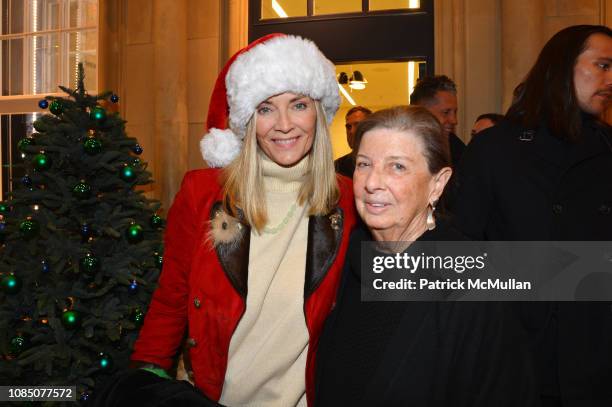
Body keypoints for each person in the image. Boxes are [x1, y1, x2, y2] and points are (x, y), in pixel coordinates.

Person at [96, 34, 357, 407]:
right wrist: (147, 372)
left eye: (298, 105)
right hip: (215, 397)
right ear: (247, 120)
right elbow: (172, 296)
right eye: (265, 109)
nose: (284, 124)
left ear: (318, 110)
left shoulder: (349, 199)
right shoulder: (203, 194)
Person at [315, 106, 537, 406]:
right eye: (364, 164)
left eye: (397, 167)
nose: (371, 182)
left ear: (438, 183)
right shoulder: (347, 260)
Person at [452, 25, 612, 406]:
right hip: (514, 362)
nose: (611, 78)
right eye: (603, 65)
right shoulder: (494, 150)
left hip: (596, 365)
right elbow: (460, 257)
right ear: (561, 67)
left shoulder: (607, 147)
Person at [410, 75, 465, 167]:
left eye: (455, 112)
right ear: (421, 112)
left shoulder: (457, 148)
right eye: (446, 112)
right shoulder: (399, 145)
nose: (454, 120)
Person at [334, 106, 372, 177]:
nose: (351, 131)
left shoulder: (384, 163)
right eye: (348, 127)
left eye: (357, 125)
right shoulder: (337, 167)